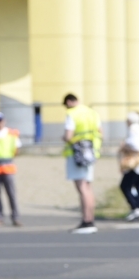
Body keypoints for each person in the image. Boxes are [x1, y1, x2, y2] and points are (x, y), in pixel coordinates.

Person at [62, 93, 102, 234]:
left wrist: (65, 138)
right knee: (88, 187)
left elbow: (68, 135)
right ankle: (90, 219)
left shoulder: (72, 113)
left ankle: (86, 221)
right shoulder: (92, 112)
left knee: (82, 187)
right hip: (91, 151)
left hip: (77, 152)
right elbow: (100, 131)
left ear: (69, 102)